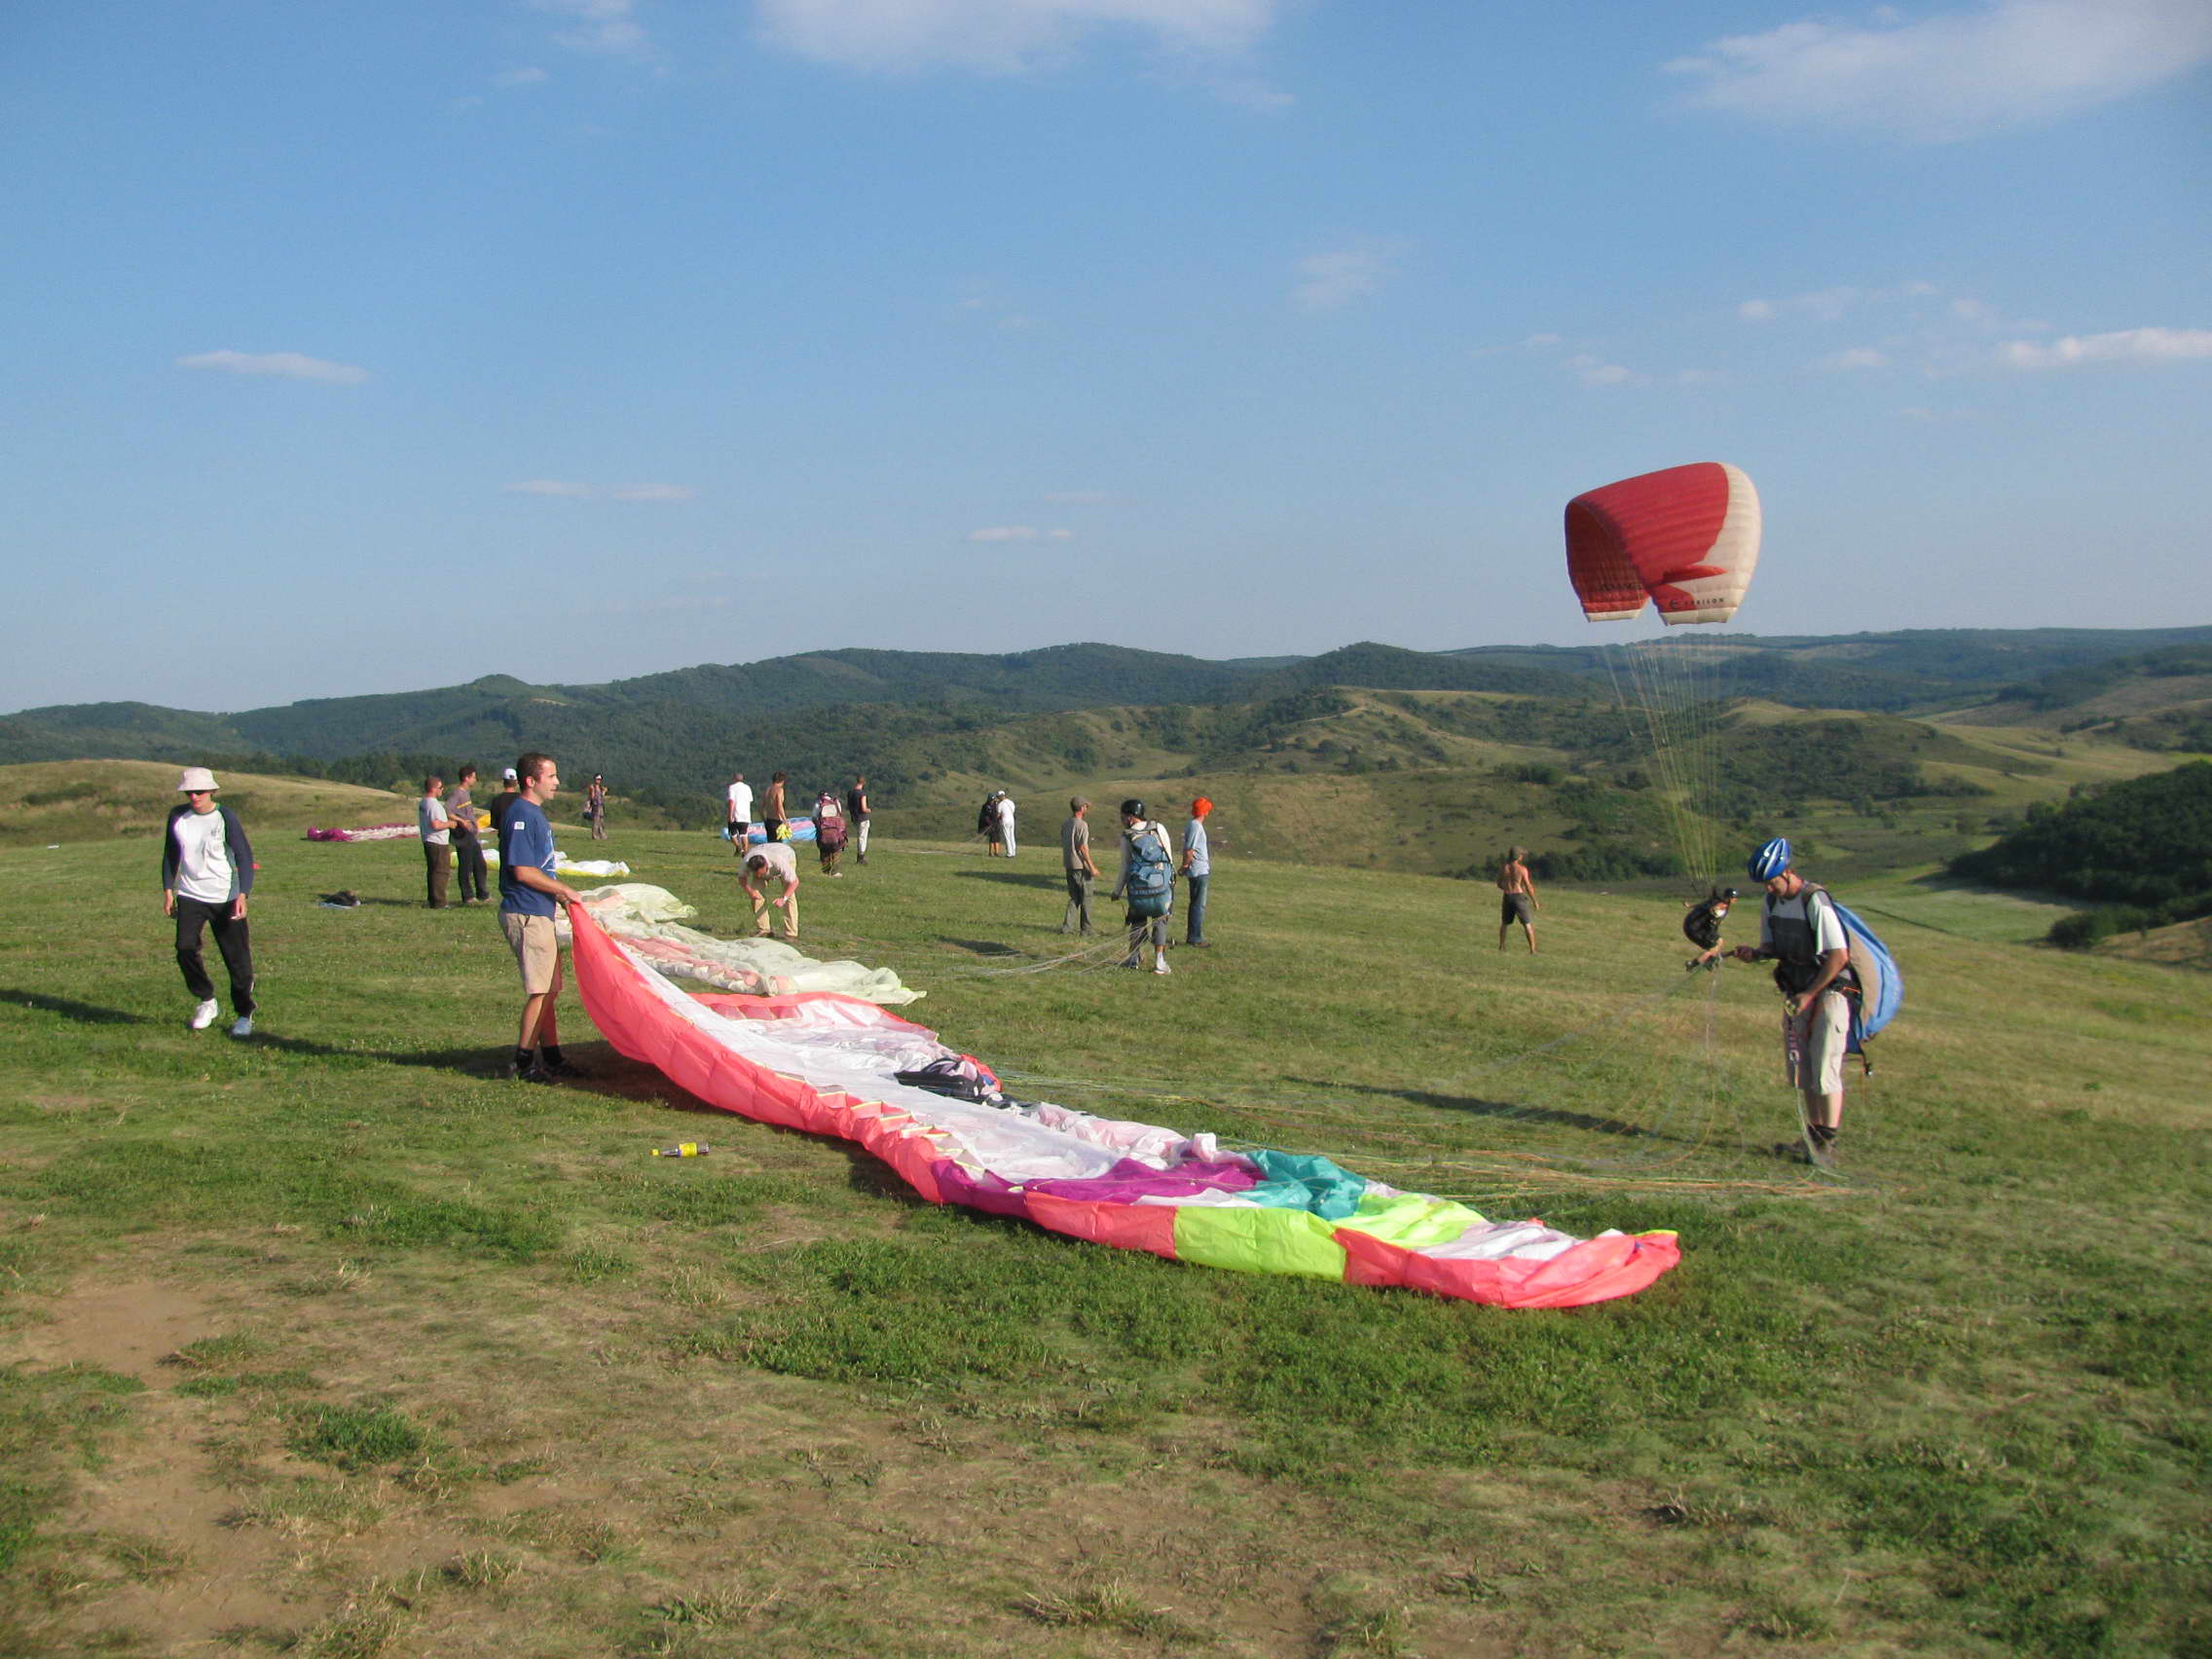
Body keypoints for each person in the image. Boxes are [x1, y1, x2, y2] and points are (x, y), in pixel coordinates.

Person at [1732, 838, 1855, 1165]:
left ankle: (1826, 1143)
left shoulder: (1815, 900)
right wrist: (1755, 954)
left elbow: (1839, 956)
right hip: (1796, 993)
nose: (1769, 888)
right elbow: (1772, 946)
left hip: (1829, 993)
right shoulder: (1771, 902)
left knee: (1825, 1066)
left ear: (1787, 872)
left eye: (1772, 881)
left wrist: (1810, 994)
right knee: (1804, 1068)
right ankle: (1812, 1138)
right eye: (1764, 883)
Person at [498, 752, 586, 1083]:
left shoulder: (534, 814)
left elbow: (539, 867)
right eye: (551, 776)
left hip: (540, 910)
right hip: (527, 912)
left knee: (550, 989)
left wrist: (559, 896)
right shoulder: (521, 815)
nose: (557, 782)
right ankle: (523, 1063)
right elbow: (522, 871)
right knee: (541, 991)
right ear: (531, 781)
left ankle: (552, 1056)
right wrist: (565, 889)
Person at [162, 766, 256, 1037]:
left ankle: (244, 1014)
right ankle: (206, 1000)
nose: (194, 796)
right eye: (189, 792)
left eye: (200, 791)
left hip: (225, 895)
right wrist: (168, 889)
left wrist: (243, 894)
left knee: (236, 959)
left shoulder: (225, 816)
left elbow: (244, 856)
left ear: (212, 791)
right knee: (184, 947)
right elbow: (170, 855)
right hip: (190, 893)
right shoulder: (177, 816)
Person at [1109, 798, 1175, 976]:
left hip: (1138, 888)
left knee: (1137, 922)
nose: (1122, 820)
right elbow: (1169, 857)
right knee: (1160, 920)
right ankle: (1160, 962)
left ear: (1130, 817)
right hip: (1161, 885)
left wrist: (1117, 891)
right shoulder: (1158, 828)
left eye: (1123, 817)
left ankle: (1133, 958)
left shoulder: (1127, 836)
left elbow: (1125, 866)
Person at [740, 843, 801, 940]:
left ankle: (791, 934)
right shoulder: (746, 861)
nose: (759, 876)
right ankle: (764, 929)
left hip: (787, 855)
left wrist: (783, 899)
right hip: (765, 853)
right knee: (756, 895)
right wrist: (750, 891)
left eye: (760, 873)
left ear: (765, 866)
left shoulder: (779, 862)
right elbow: (742, 878)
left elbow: (794, 882)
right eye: (756, 873)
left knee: (789, 896)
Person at [448, 764, 490, 904]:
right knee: (466, 865)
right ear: (466, 778)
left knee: (479, 864)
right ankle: (468, 896)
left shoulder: (466, 793)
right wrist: (462, 821)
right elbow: (448, 810)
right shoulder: (457, 794)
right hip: (463, 834)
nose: (475, 780)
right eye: (473, 777)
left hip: (471, 834)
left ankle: (482, 894)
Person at [1059, 796, 1100, 935]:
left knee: (1075, 897)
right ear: (1082, 808)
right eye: (1086, 807)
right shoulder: (1082, 825)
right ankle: (1086, 929)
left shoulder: (1066, 823)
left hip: (1069, 864)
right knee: (1086, 897)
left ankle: (1067, 927)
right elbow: (1082, 847)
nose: (1087, 809)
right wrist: (1092, 867)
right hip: (1080, 866)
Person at [1180, 796, 1214, 947]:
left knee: (1196, 903)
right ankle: (1195, 938)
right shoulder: (1196, 826)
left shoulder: (1192, 824)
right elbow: (1189, 850)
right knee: (1198, 905)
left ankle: (1193, 936)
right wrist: (1185, 866)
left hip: (1197, 869)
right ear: (1205, 812)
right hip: (1199, 870)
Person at [418, 774, 455, 908]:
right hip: (437, 842)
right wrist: (450, 824)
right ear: (433, 789)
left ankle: (432, 899)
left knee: (433, 871)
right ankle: (439, 902)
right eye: (440, 787)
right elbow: (436, 824)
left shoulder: (423, 802)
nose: (442, 790)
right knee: (441, 872)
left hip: (428, 839)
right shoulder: (433, 805)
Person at [1497, 846, 1539, 953]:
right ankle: (1532, 950)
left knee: (1504, 923)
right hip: (1519, 896)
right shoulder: (1522, 869)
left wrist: (1507, 888)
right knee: (1527, 924)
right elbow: (1528, 886)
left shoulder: (1504, 867)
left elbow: (1499, 883)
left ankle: (1502, 946)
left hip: (1507, 896)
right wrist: (1534, 901)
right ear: (1518, 856)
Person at [812, 787, 847, 875]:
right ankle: (835, 872)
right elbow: (840, 815)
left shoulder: (819, 803)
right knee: (836, 851)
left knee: (824, 852)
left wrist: (818, 827)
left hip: (823, 832)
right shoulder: (836, 802)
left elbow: (814, 817)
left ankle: (825, 872)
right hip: (836, 833)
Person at [489, 767, 522, 840]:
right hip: (520, 838)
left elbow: (495, 824)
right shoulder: (522, 799)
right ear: (516, 782)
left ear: (504, 782)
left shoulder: (496, 800)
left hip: (504, 839)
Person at [846, 775, 871, 866]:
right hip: (862, 818)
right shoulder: (862, 794)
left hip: (855, 817)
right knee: (862, 838)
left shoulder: (850, 793)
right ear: (863, 783)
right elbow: (864, 808)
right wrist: (869, 810)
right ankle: (861, 857)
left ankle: (859, 857)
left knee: (859, 837)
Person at [726, 772, 755, 853]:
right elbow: (750, 800)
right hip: (746, 815)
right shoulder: (747, 788)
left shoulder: (732, 787)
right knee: (744, 834)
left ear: (734, 779)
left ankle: (739, 847)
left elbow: (732, 801)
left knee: (732, 833)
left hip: (735, 814)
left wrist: (730, 815)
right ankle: (745, 852)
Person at [762, 772, 789, 842]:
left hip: (768, 820)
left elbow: (761, 808)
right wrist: (785, 820)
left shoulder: (767, 790)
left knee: (770, 843)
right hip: (777, 821)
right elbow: (779, 806)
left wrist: (764, 819)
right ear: (782, 781)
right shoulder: (779, 790)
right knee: (778, 844)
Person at [995, 790, 1018, 859]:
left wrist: (995, 820)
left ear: (1000, 796)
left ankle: (1009, 853)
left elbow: (998, 814)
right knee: (1012, 836)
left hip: (1005, 820)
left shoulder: (1000, 804)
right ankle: (1013, 852)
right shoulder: (1011, 802)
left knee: (1007, 837)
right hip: (1012, 820)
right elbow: (1013, 811)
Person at [585, 775, 608, 841]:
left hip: (601, 805)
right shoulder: (592, 787)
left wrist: (604, 792)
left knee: (601, 821)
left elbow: (602, 797)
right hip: (595, 805)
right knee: (596, 821)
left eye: (600, 779)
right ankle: (595, 836)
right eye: (597, 779)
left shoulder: (600, 787)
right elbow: (592, 797)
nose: (599, 780)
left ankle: (602, 835)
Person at [979, 792, 1003, 856]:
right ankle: (991, 853)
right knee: (992, 839)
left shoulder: (997, 804)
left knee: (997, 838)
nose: (992, 801)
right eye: (991, 799)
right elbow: (985, 816)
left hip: (997, 823)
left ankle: (997, 852)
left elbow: (999, 813)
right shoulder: (985, 806)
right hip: (990, 824)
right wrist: (990, 823)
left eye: (993, 799)